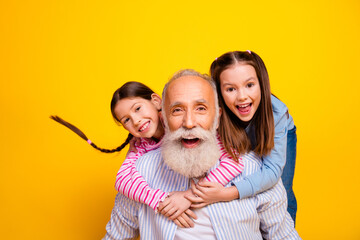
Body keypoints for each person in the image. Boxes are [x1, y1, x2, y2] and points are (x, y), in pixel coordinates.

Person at [103, 69, 300, 239]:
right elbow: (115, 235)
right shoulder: (140, 172)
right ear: (165, 116)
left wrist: (189, 196)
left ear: (217, 117)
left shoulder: (254, 170)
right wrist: (159, 200)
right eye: (177, 110)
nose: (189, 123)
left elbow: (283, 235)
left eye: (201, 109)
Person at [50, 81, 243, 225]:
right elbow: (122, 180)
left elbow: (233, 159)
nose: (136, 120)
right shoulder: (140, 146)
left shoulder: (185, 125)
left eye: (138, 109)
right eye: (126, 120)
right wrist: (161, 202)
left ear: (156, 101)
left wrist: (188, 196)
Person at [191, 50, 297, 222]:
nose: (242, 96)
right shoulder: (216, 112)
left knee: (281, 188)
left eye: (249, 85)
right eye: (231, 89)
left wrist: (226, 194)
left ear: (261, 83)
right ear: (218, 92)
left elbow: (272, 171)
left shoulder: (277, 114)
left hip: (275, 132)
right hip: (241, 136)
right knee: (252, 184)